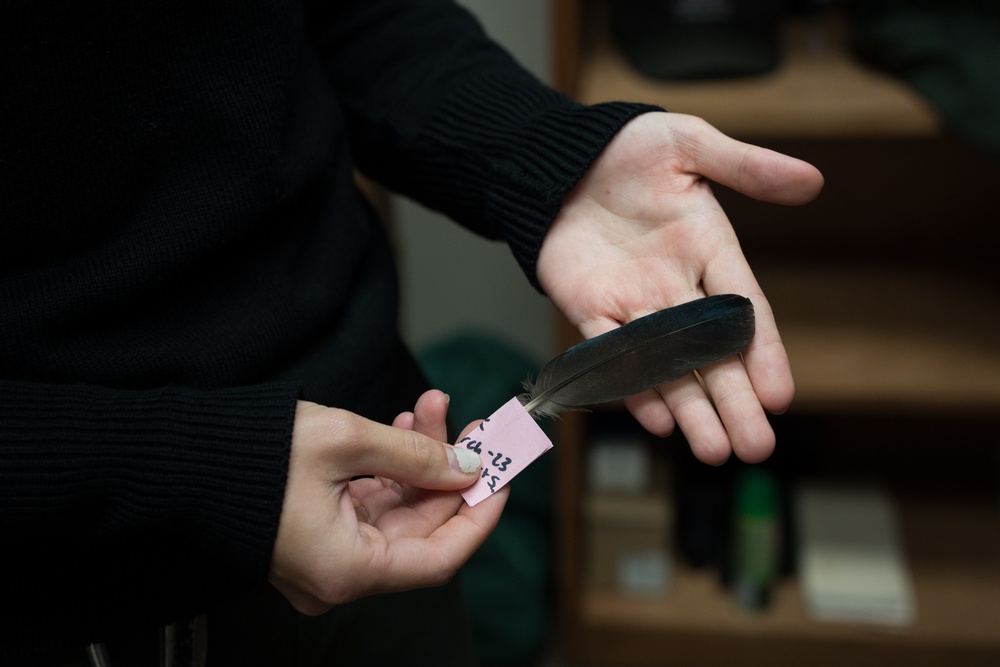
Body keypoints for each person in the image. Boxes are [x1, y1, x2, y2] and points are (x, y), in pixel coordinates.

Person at [0, 0, 823, 664]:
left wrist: (548, 156)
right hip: (78, 592)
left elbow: (349, 18)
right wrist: (206, 477)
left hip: (397, 484)